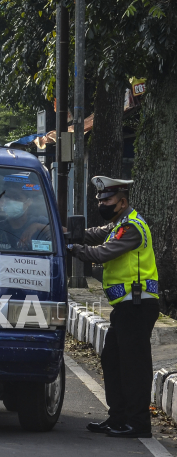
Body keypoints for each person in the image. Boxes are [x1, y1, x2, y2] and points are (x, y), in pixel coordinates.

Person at [69, 176, 159, 439]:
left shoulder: (132, 227)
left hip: (138, 306)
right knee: (113, 361)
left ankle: (138, 423)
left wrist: (73, 248)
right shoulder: (118, 224)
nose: (102, 204)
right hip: (125, 307)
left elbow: (101, 253)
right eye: (100, 200)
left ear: (122, 201)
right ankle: (118, 418)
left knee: (133, 366)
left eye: (107, 200)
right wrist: (61, 231)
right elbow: (93, 233)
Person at [0, 183, 50, 250]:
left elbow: (60, 233)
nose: (11, 202)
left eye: (17, 198)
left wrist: (38, 226)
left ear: (29, 201)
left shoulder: (41, 222)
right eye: (7, 198)